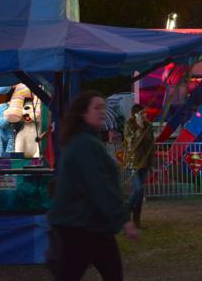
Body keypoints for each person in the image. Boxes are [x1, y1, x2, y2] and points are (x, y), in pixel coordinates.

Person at [48, 91, 138, 281]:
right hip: (80, 226)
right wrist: (124, 219)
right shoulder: (84, 144)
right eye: (97, 108)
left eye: (103, 107)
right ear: (83, 113)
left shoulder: (85, 141)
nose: (102, 112)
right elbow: (99, 186)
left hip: (90, 224)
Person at [123, 104, 155, 229]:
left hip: (145, 162)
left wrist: (152, 161)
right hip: (133, 161)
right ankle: (126, 210)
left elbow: (151, 144)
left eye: (144, 113)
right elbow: (132, 141)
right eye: (141, 113)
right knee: (138, 189)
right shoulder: (129, 125)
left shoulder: (149, 126)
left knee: (140, 194)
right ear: (135, 114)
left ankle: (136, 221)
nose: (144, 115)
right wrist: (140, 127)